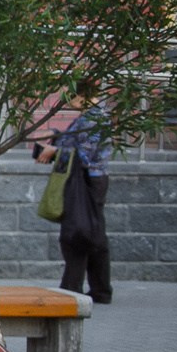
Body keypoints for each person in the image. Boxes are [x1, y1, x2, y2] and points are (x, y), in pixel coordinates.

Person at [34, 103, 112, 304]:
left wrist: (56, 150)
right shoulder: (90, 115)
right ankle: (100, 289)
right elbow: (79, 143)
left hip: (86, 180)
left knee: (76, 233)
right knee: (93, 235)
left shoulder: (95, 117)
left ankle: (72, 288)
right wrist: (56, 134)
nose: (68, 98)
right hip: (88, 180)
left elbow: (84, 154)